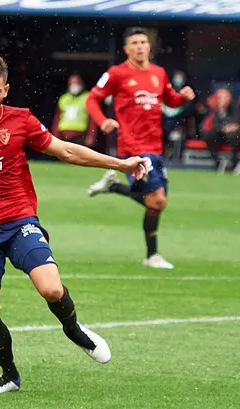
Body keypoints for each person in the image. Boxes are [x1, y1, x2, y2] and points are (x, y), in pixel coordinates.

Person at [0, 53, 147, 394]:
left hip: (19, 221)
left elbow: (67, 151)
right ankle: (9, 375)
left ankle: (75, 330)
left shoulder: (21, 120)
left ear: (6, 90)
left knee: (50, 287)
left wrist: (120, 165)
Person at [85, 27, 195, 270]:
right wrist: (103, 121)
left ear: (149, 46)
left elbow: (170, 100)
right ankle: (152, 255)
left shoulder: (159, 73)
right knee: (157, 200)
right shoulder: (116, 73)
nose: (139, 46)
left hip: (155, 147)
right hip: (132, 147)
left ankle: (113, 187)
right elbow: (91, 99)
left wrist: (183, 97)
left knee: (157, 202)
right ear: (126, 49)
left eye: (143, 42)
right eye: (134, 42)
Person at [200, 87, 240, 175]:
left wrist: (225, 127)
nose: (222, 98)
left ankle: (235, 162)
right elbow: (215, 125)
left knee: (233, 135)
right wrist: (221, 111)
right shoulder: (218, 108)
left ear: (229, 96)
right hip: (224, 134)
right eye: (220, 96)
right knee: (208, 135)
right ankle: (218, 161)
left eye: (224, 96)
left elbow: (235, 124)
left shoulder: (237, 106)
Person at [51, 74, 96, 146]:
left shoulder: (88, 97)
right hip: (64, 135)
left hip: (80, 136)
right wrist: (55, 136)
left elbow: (92, 119)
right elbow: (57, 119)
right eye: (72, 83)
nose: (74, 86)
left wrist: (91, 136)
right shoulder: (64, 98)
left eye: (76, 83)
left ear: (82, 84)